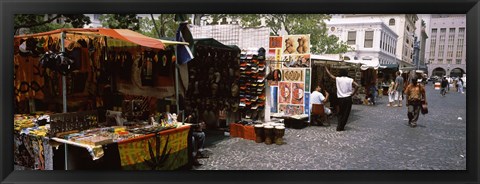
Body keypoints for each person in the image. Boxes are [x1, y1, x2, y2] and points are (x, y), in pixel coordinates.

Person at [324, 66, 359, 131]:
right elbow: (357, 85)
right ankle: (341, 126)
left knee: (340, 112)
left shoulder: (338, 79)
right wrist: (353, 93)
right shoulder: (350, 80)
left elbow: (331, 76)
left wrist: (326, 69)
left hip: (340, 98)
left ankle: (339, 125)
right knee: (346, 113)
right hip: (348, 98)